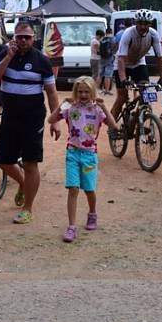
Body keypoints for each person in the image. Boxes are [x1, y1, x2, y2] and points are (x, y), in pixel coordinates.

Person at [0, 21, 61, 225]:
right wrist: (9, 57)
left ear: (33, 38)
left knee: (31, 162)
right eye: (19, 36)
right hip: (10, 115)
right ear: (14, 37)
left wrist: (55, 120)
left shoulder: (42, 60)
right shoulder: (5, 54)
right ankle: (22, 183)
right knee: (3, 158)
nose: (22, 40)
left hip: (33, 117)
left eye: (27, 37)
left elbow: (52, 93)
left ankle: (27, 208)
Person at [48, 76, 116, 243]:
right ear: (76, 92)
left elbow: (113, 125)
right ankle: (71, 227)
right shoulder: (71, 108)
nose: (83, 95)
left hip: (89, 155)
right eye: (80, 92)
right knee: (73, 189)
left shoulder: (97, 110)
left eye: (87, 91)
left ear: (92, 92)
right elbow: (51, 120)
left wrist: (104, 107)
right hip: (72, 153)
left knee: (89, 189)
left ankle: (92, 213)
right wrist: (64, 102)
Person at [110, 10, 162, 121]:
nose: (143, 26)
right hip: (122, 64)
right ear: (135, 23)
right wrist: (124, 79)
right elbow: (121, 59)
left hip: (139, 63)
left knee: (146, 93)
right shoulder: (128, 33)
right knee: (122, 97)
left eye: (146, 23)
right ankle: (112, 126)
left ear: (150, 24)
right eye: (140, 23)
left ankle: (141, 120)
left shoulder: (153, 34)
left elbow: (159, 57)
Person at [98, 27, 116, 95]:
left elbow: (99, 49)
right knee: (107, 75)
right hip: (109, 58)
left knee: (100, 74)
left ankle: (97, 89)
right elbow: (114, 48)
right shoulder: (113, 39)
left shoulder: (102, 39)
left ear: (106, 32)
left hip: (102, 58)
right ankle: (107, 90)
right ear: (111, 32)